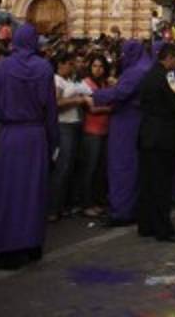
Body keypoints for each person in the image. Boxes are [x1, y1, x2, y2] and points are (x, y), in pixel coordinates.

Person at [0, 23, 59, 270]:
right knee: (34, 192)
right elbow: (50, 108)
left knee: (8, 193)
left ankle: (8, 249)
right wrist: (53, 140)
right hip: (36, 136)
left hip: (10, 135)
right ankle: (32, 244)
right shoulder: (44, 67)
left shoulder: (4, 67)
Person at [136, 43, 175, 242]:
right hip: (163, 136)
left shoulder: (148, 75)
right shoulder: (167, 76)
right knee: (162, 185)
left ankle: (146, 225)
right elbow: (174, 103)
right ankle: (164, 229)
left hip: (147, 134)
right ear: (169, 58)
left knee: (148, 183)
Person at [91, 39, 152, 226]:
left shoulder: (135, 72)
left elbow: (120, 93)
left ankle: (121, 211)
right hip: (139, 122)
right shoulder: (148, 67)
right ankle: (131, 208)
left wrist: (95, 95)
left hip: (125, 123)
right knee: (134, 168)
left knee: (121, 167)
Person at [49, 51, 92, 221]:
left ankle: (64, 204)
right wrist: (78, 100)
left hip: (75, 124)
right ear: (61, 64)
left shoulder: (69, 80)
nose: (72, 67)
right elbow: (56, 103)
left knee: (71, 167)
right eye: (70, 64)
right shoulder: (56, 80)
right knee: (62, 167)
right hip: (64, 125)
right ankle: (53, 207)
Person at [76, 55, 112, 217]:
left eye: (101, 66)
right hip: (91, 132)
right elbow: (92, 109)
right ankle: (86, 203)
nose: (98, 69)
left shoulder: (105, 84)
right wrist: (111, 108)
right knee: (89, 169)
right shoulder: (86, 84)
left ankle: (97, 201)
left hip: (105, 131)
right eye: (95, 66)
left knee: (100, 169)